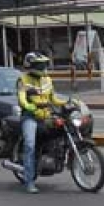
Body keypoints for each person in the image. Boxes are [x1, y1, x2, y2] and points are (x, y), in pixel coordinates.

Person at [17, 52, 63, 194]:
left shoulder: (47, 80)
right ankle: (29, 181)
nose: (43, 67)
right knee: (30, 145)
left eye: (44, 64)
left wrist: (69, 101)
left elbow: (54, 98)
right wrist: (30, 106)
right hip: (30, 116)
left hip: (46, 116)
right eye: (39, 65)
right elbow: (22, 98)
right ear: (30, 65)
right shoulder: (22, 80)